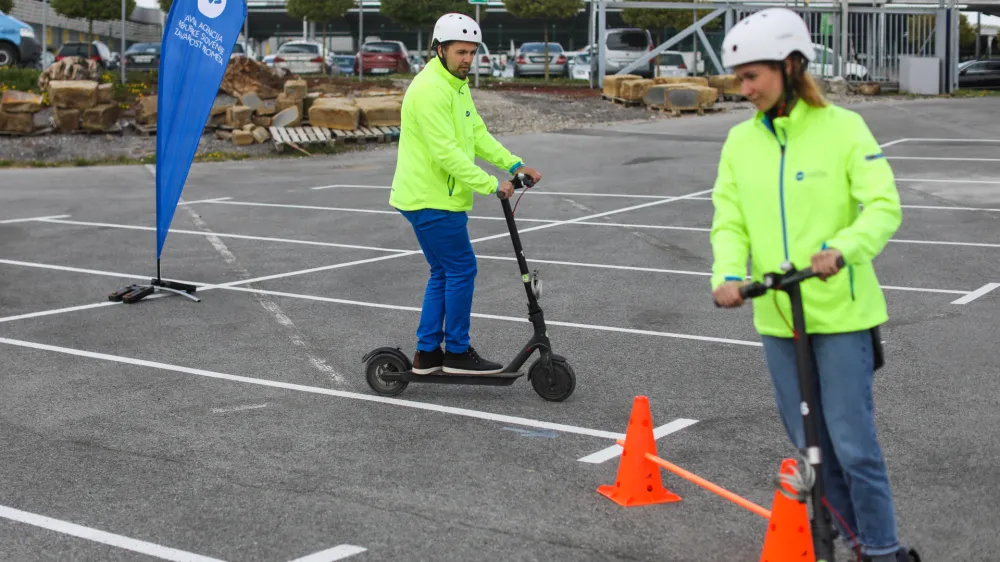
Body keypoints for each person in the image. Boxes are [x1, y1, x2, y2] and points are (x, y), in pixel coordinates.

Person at [709, 8, 919, 562]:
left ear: (791, 65)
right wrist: (728, 277)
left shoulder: (843, 128)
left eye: (753, 75)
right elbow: (728, 220)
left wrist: (843, 250)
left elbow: (882, 204)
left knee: (854, 447)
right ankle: (842, 541)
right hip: (777, 317)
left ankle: (881, 550)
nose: (744, 88)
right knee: (810, 447)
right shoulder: (739, 143)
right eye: (740, 77)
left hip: (842, 314)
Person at [389, 12, 542, 376]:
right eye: (460, 52)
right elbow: (445, 152)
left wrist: (514, 165)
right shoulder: (430, 89)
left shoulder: (457, 86)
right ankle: (456, 351)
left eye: (472, 53)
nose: (468, 61)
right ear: (439, 49)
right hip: (430, 198)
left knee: (444, 272)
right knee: (461, 269)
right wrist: (491, 184)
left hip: (439, 198)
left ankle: (427, 354)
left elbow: (477, 135)